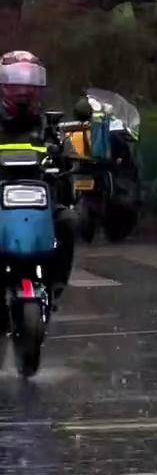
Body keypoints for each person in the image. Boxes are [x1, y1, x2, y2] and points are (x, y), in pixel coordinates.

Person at [0, 49, 76, 294]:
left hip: (42, 199)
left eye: (30, 81)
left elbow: (67, 157)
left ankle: (57, 282)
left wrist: (65, 158)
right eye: (14, 80)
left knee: (68, 220)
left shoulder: (48, 126)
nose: (23, 89)